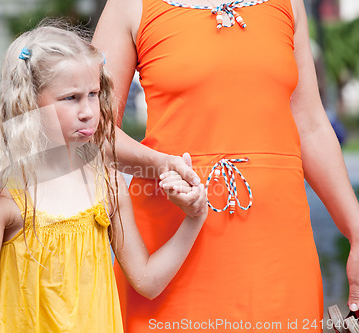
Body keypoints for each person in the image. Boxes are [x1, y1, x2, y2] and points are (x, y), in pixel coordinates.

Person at [92, 0, 359, 332]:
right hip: (171, 252)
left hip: (277, 251)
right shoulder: (128, 6)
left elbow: (311, 126)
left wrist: (356, 230)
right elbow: (93, 131)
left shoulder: (290, 5)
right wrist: (162, 164)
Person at [0, 21, 208, 333]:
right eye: (71, 98)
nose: (88, 110)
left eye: (93, 94)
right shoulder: (3, 197)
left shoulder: (107, 182)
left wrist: (194, 217)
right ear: (29, 101)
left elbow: (147, 281)